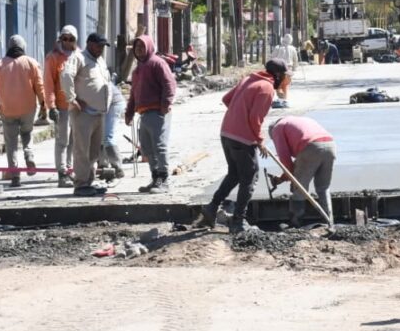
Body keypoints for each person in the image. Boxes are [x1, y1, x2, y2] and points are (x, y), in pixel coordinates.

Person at [199, 59, 289, 233]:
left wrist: (237, 113)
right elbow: (255, 118)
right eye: (284, 76)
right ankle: (239, 221)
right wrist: (260, 141)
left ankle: (211, 208)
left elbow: (227, 99)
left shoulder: (249, 79)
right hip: (242, 138)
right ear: (277, 75)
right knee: (250, 176)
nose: (285, 79)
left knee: (234, 174)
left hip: (226, 133)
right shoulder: (267, 88)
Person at [0, 35, 46, 188]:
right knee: (27, 134)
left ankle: (15, 176)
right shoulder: (31, 63)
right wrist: (43, 105)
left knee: (11, 143)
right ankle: (29, 156)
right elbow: (40, 86)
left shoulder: (0, 64)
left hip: (7, 109)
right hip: (28, 108)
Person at [125, 35, 177, 194]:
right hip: (144, 114)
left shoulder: (157, 63)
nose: (139, 50)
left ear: (148, 46)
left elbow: (170, 84)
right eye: (137, 47)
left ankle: (164, 180)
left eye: (142, 46)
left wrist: (165, 104)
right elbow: (134, 93)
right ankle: (155, 178)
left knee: (159, 147)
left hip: (157, 112)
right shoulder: (138, 70)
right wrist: (129, 112)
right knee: (147, 149)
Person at [62, 32, 112, 196]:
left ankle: (89, 182)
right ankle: (81, 184)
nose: (101, 49)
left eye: (103, 46)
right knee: (82, 150)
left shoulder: (100, 61)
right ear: (90, 44)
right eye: (98, 46)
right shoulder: (79, 58)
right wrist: (72, 99)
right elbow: (66, 75)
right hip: (83, 113)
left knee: (93, 151)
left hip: (98, 113)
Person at [268, 116, 336, 228]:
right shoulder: (298, 121)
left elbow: (285, 160)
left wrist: (290, 178)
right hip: (330, 145)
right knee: (323, 187)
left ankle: (296, 223)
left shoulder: (277, 129)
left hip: (310, 146)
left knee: (300, 188)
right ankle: (329, 221)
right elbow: (297, 163)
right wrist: (283, 178)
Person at [45, 25, 79, 187]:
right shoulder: (53, 58)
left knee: (73, 140)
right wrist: (51, 106)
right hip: (61, 106)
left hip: (77, 106)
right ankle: (62, 173)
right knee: (62, 140)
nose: (67, 41)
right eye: (64, 38)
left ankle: (70, 169)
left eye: (71, 38)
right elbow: (48, 84)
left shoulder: (79, 56)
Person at [99, 75, 126, 179]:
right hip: (103, 104)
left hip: (114, 103)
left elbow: (108, 96)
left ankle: (117, 167)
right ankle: (103, 167)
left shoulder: (99, 79)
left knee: (107, 136)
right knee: (100, 137)